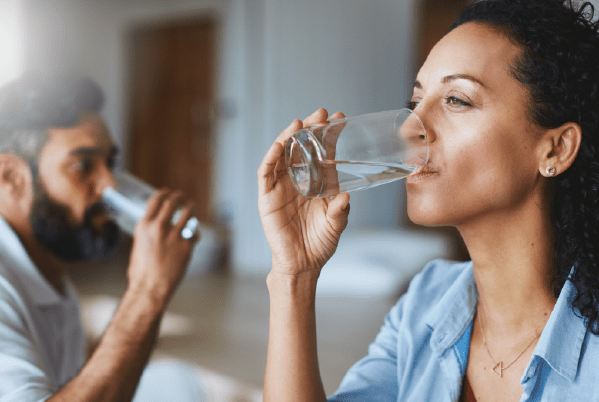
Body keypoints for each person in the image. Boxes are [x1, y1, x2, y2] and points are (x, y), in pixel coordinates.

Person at [258, 0, 599, 400]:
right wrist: (293, 276)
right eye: (415, 103)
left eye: (457, 100)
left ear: (555, 149)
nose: (408, 130)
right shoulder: (425, 302)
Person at [0, 74, 209, 401]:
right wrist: (147, 291)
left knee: (179, 381)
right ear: (10, 176)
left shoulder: (52, 277)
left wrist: (152, 295)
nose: (110, 184)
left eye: (110, 162)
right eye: (83, 165)